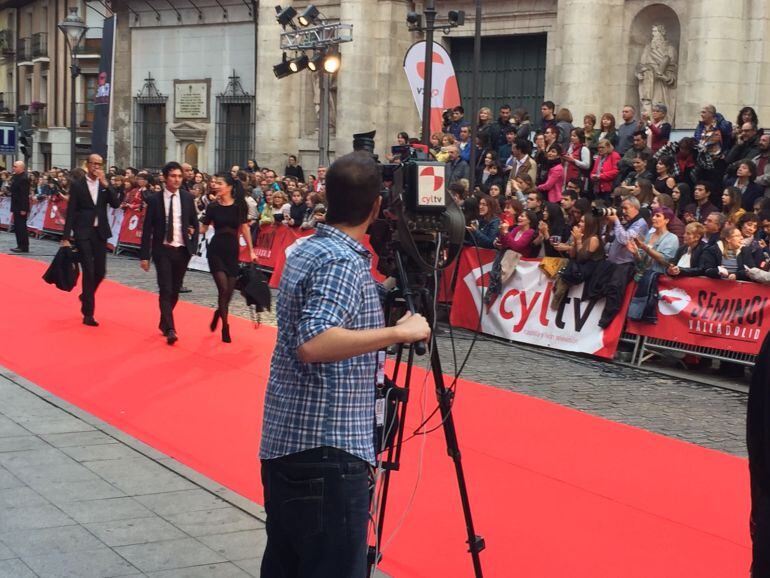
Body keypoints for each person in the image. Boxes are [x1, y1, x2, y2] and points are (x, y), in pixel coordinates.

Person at [259, 152, 430, 577]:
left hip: (290, 444)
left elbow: (340, 306)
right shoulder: (341, 262)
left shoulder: (309, 247)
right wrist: (398, 333)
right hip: (328, 454)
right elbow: (314, 342)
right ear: (376, 207)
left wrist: (389, 291)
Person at [139, 162, 199, 345]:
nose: (177, 179)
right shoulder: (155, 199)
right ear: (165, 177)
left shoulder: (188, 198)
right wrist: (144, 256)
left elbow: (195, 224)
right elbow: (147, 229)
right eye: (173, 176)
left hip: (181, 249)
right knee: (165, 288)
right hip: (162, 249)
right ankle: (171, 328)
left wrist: (192, 243)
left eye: (179, 176)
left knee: (175, 289)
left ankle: (164, 320)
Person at [60, 154, 124, 327]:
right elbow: (72, 211)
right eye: (93, 164)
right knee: (88, 270)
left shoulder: (104, 186)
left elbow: (116, 204)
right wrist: (66, 237)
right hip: (83, 232)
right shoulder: (78, 185)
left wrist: (107, 185)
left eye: (99, 164)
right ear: (87, 165)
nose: (96, 167)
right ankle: (88, 313)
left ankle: (85, 295)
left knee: (100, 271)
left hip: (100, 232)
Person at [199, 173, 258, 343]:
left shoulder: (240, 206)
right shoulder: (212, 207)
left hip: (232, 251)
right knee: (223, 289)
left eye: (219, 183)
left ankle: (219, 312)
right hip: (215, 250)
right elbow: (203, 228)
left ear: (230, 187)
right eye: (215, 183)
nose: (215, 185)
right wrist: (188, 227)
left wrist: (252, 251)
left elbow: (245, 228)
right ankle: (225, 325)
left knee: (229, 292)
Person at [9, 160, 30, 253]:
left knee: (21, 227)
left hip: (21, 206)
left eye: (15, 166)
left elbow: (24, 195)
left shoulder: (24, 178)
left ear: (21, 168)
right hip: (16, 205)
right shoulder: (16, 176)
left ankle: (23, 246)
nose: (13, 168)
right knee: (17, 226)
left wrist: (23, 208)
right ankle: (19, 245)